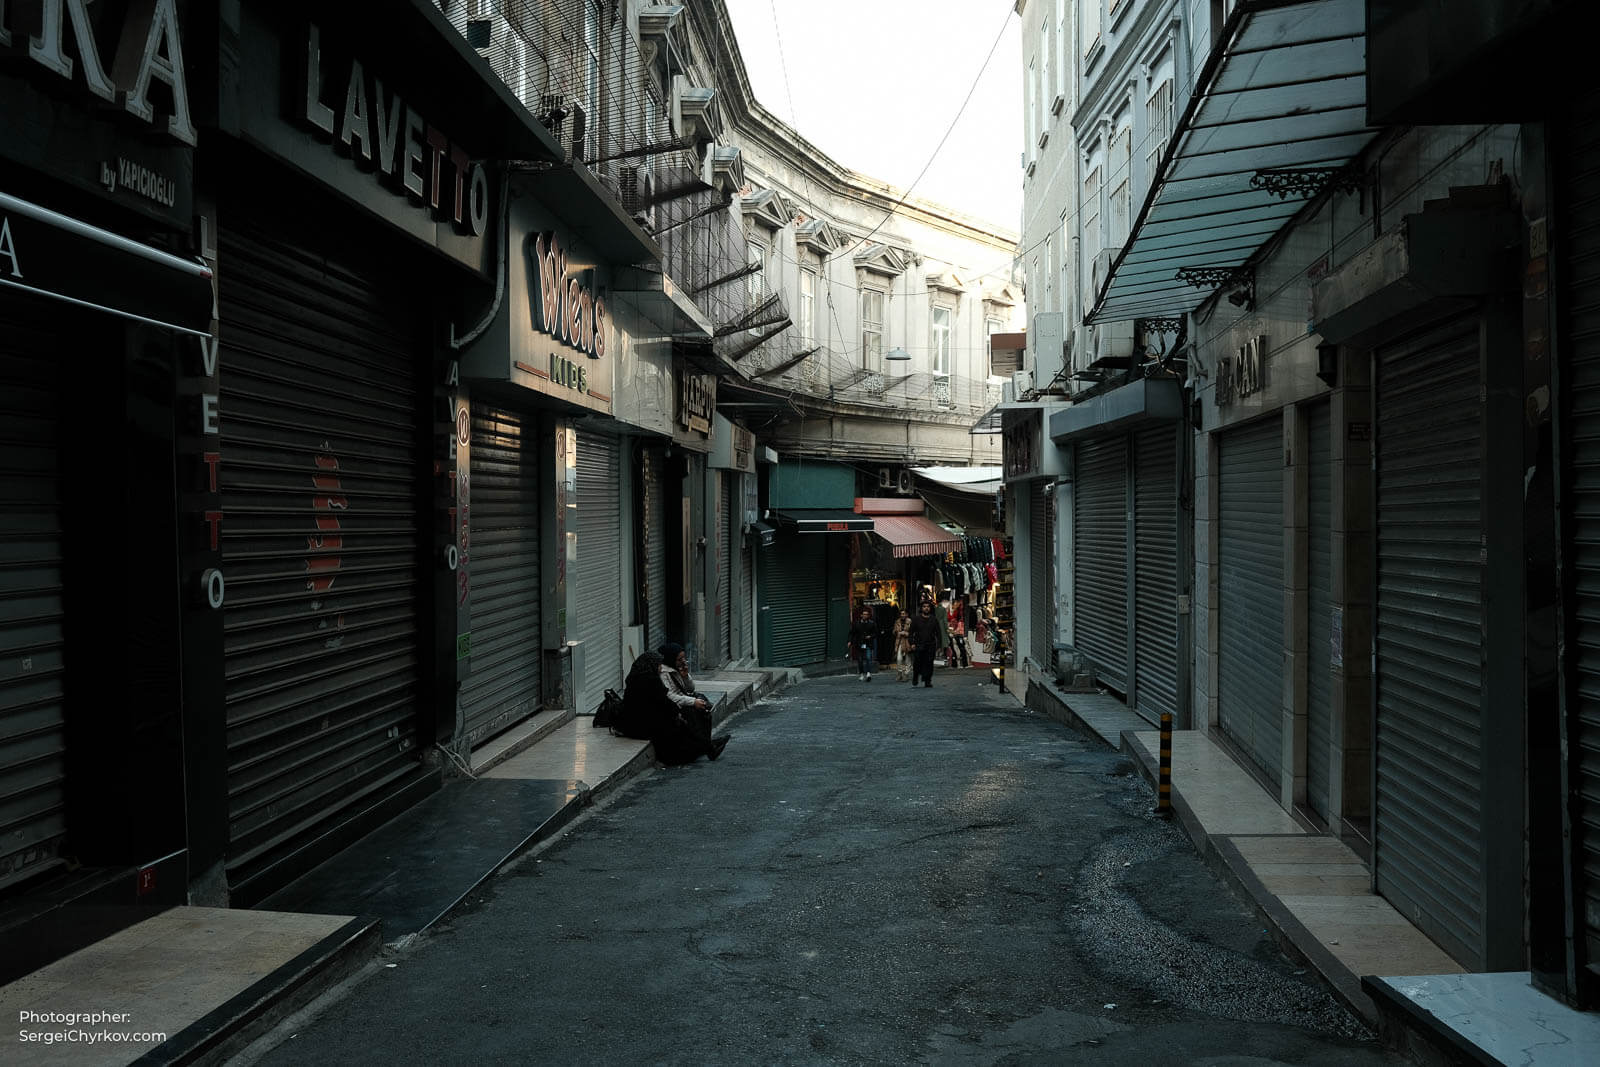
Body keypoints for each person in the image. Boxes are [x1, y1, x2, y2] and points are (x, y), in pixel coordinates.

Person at [615, 650, 729, 764]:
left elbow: (669, 699)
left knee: (682, 721)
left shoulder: (635, 679)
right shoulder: (651, 681)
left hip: (636, 723)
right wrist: (676, 714)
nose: (661, 667)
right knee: (679, 726)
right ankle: (708, 747)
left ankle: (708, 746)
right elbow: (664, 701)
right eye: (659, 665)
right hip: (641, 726)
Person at [908, 599, 942, 688]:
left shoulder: (934, 620)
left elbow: (938, 633)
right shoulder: (916, 619)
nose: (926, 608)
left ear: (930, 608)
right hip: (919, 644)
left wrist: (939, 645)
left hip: (930, 644)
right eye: (924, 607)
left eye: (928, 607)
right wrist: (912, 643)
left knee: (929, 663)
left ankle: (927, 680)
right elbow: (911, 632)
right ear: (921, 608)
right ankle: (916, 676)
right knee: (918, 662)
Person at [848, 606, 878, 681]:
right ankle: (861, 674)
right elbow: (852, 633)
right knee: (860, 659)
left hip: (868, 643)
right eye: (864, 614)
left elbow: (875, 633)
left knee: (868, 658)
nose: (865, 616)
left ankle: (868, 673)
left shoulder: (872, 623)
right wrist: (850, 641)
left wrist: (870, 636)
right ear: (861, 615)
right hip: (859, 643)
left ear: (868, 616)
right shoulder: (856, 623)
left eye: (866, 614)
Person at [947, 597, 969, 669]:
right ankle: (955, 664)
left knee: (961, 647)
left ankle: (964, 664)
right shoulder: (952, 610)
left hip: (958, 630)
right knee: (953, 648)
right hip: (951, 631)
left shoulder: (959, 611)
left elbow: (961, 620)